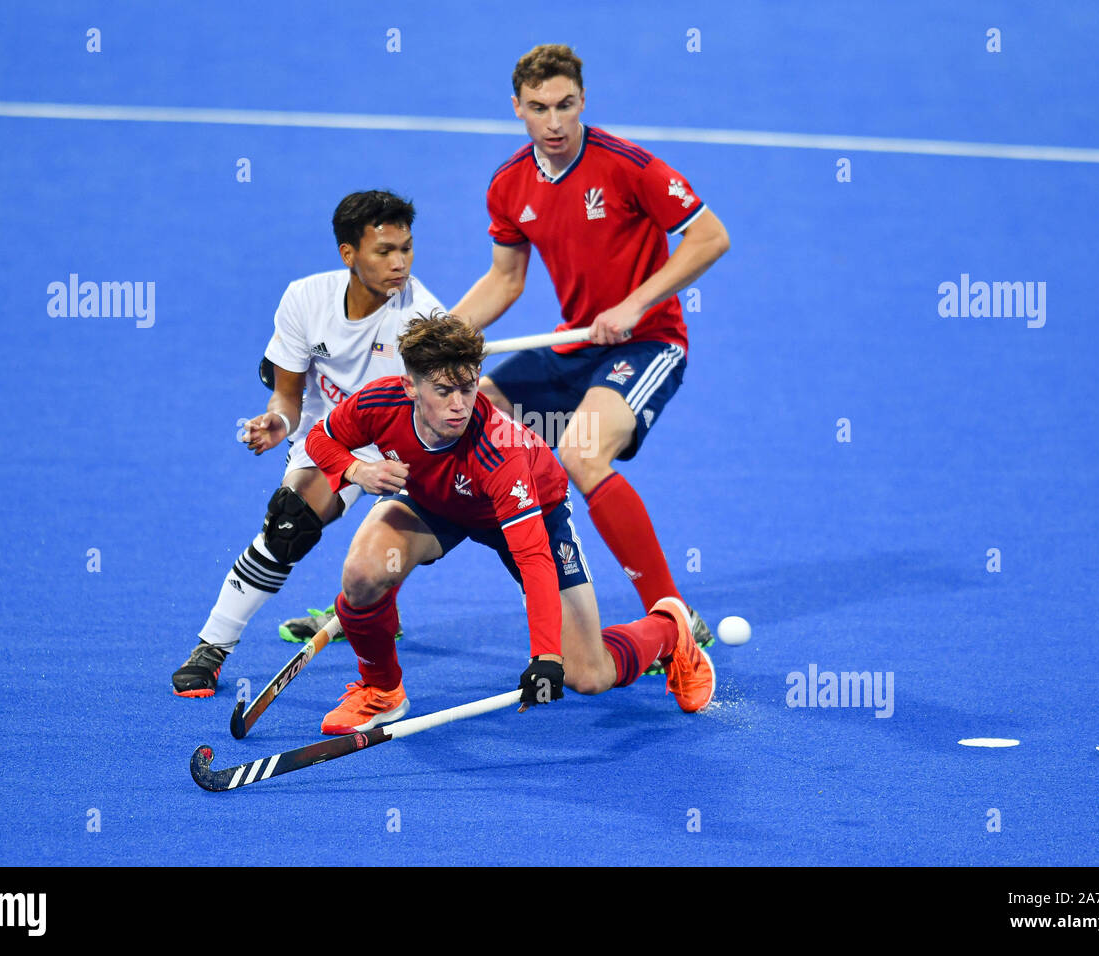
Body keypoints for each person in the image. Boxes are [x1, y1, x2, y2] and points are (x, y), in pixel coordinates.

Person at [451, 44, 731, 673]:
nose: (554, 123)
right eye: (539, 108)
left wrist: (634, 305)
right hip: (573, 343)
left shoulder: (628, 166)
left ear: (583, 101)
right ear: (517, 108)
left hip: (648, 341)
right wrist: (439, 340)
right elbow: (505, 281)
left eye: (566, 106)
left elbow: (712, 236)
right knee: (460, 415)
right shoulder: (508, 184)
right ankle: (378, 590)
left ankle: (672, 612)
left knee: (580, 451)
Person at [302, 313, 715, 732]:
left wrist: (546, 657)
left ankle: (669, 628)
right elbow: (321, 437)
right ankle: (381, 690)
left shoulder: (500, 449)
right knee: (364, 573)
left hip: (532, 511)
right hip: (435, 503)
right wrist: (355, 469)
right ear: (410, 386)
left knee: (589, 676)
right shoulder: (380, 403)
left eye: (467, 388)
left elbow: (533, 557)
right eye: (443, 391)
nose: (458, 405)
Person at [171, 191, 442, 697]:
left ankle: (379, 604)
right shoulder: (305, 299)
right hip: (332, 436)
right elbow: (288, 397)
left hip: (404, 442)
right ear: (348, 254)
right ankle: (213, 644)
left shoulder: (421, 319)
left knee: (406, 547)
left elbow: (440, 416)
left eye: (406, 248)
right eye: (384, 251)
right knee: (289, 522)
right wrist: (277, 421)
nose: (399, 263)